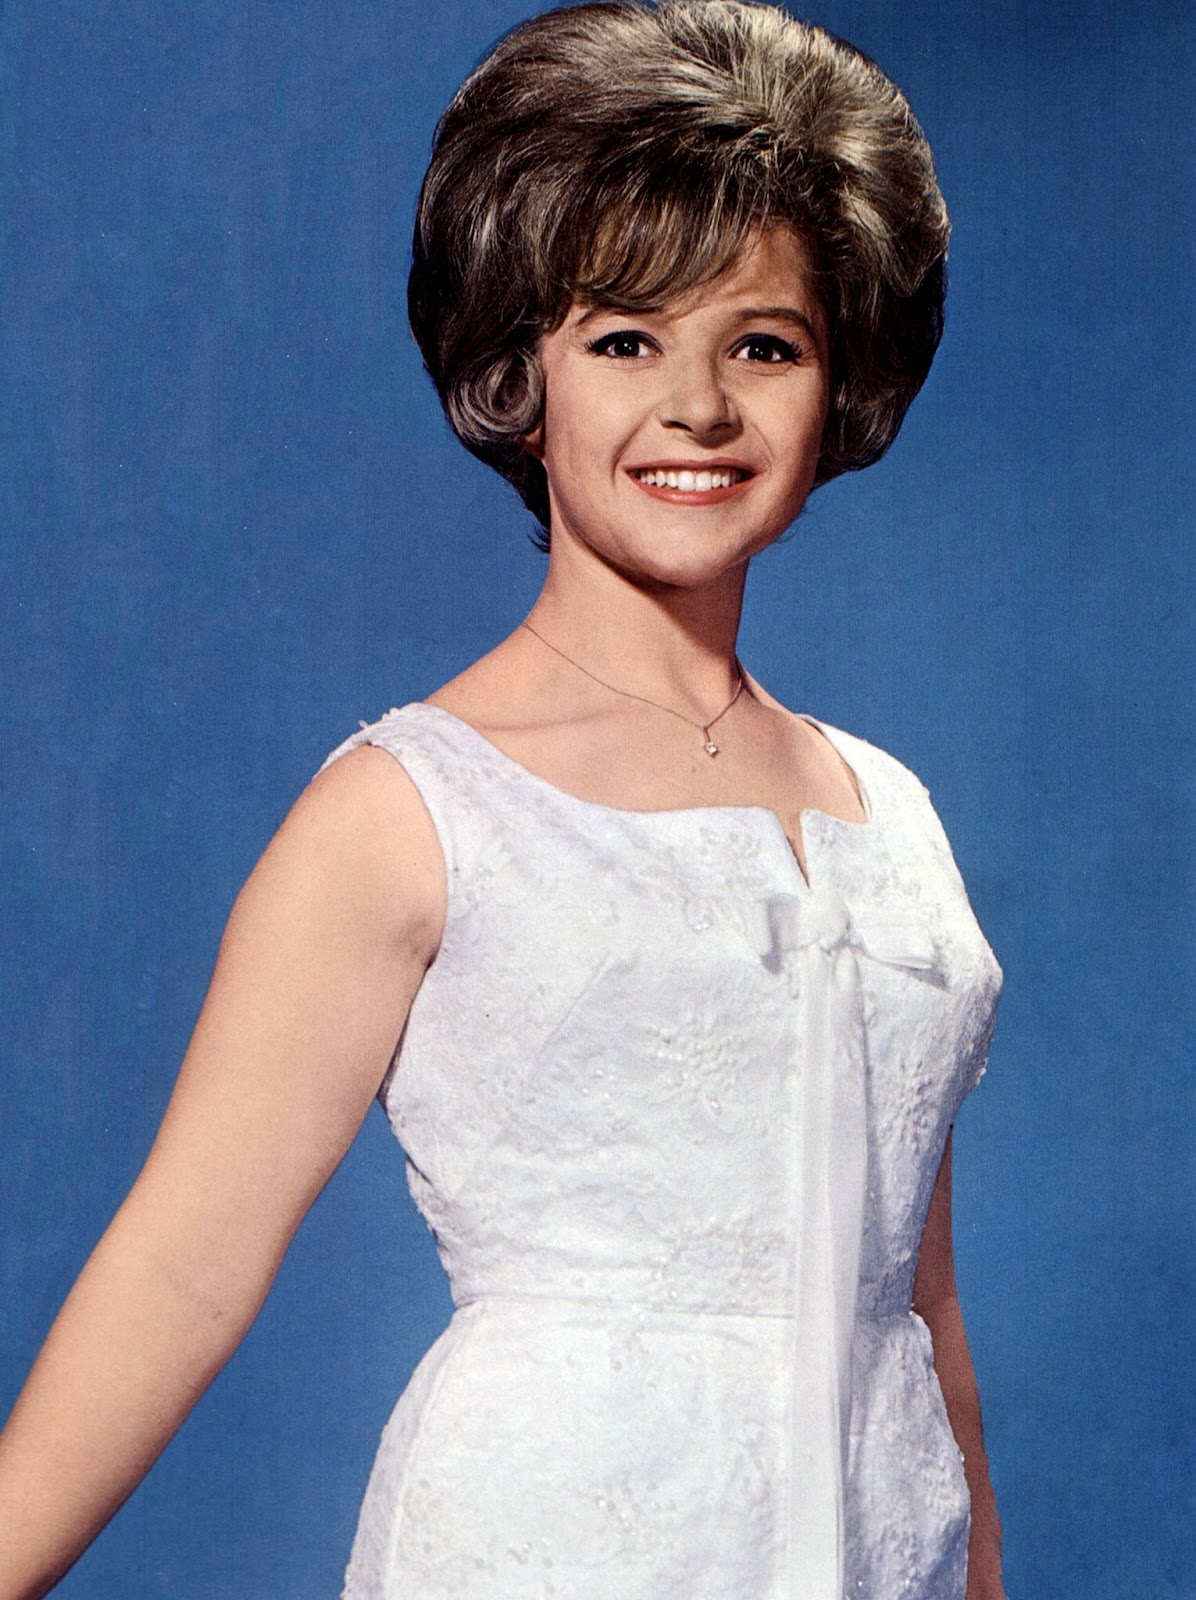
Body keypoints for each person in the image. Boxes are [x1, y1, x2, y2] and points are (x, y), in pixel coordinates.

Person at [0, 2, 1005, 1596]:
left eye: (763, 342)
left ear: (840, 384)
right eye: (624, 341)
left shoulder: (892, 816)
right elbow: (183, 1270)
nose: (698, 407)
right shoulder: (410, 809)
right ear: (517, 377)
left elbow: (917, 1300)